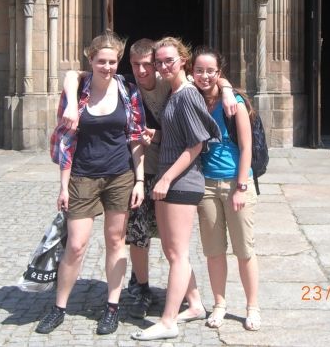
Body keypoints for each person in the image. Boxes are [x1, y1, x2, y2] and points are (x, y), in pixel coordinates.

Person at [60, 39, 238, 321]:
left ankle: (192, 301)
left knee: (173, 245)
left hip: (171, 172)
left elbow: (207, 77)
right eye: (136, 64)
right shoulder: (126, 84)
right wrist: (71, 102)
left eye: (148, 64)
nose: (142, 70)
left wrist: (227, 90)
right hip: (141, 170)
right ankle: (141, 288)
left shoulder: (170, 82)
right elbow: (74, 74)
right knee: (139, 236)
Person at [39, 31, 146, 336]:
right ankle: (59, 306)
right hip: (83, 175)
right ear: (91, 60)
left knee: (115, 241)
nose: (107, 67)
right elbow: (66, 142)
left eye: (112, 61)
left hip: (120, 175)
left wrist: (139, 180)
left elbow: (136, 138)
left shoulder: (128, 90)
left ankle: (112, 307)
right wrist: (63, 186)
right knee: (75, 245)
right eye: (102, 61)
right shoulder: (78, 91)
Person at [131, 37, 220, 342]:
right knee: (172, 251)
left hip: (182, 182)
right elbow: (179, 136)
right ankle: (194, 304)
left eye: (169, 60)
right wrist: (155, 135)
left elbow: (196, 144)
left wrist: (166, 179)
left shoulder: (187, 95)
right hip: (171, 180)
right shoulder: (174, 93)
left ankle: (168, 321)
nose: (163, 66)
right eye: (159, 62)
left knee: (178, 254)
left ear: (183, 60)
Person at [191, 46, 261, 331]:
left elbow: (247, 147)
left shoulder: (234, 102)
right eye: (199, 70)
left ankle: (252, 306)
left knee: (244, 250)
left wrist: (241, 187)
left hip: (235, 182)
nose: (205, 75)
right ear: (192, 72)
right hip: (206, 185)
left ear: (219, 72)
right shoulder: (194, 98)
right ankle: (219, 304)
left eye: (210, 71)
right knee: (214, 251)